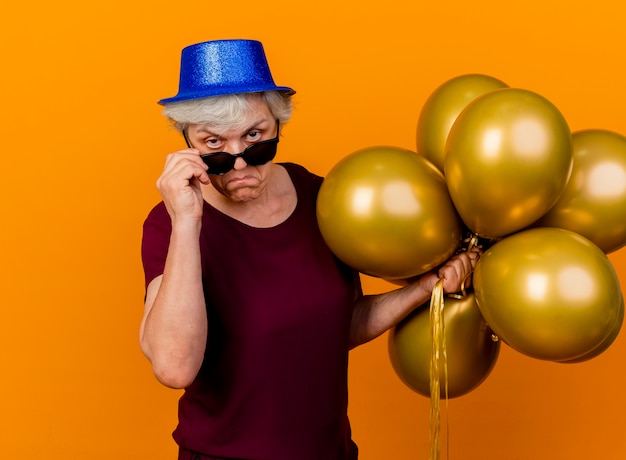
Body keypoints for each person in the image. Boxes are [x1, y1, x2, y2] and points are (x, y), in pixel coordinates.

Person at [140, 39, 478, 460]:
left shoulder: (321, 199)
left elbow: (337, 327)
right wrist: (188, 222)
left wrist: (423, 287)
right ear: (187, 142)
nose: (240, 163)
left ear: (278, 124)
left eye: (255, 137)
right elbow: (175, 367)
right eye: (214, 146)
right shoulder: (167, 223)